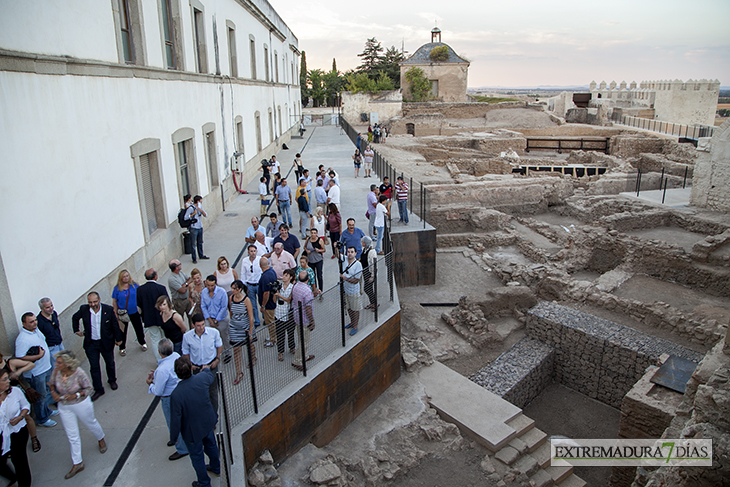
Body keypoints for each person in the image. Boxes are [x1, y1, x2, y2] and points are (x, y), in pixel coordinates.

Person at [49, 350, 107, 480]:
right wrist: (53, 393)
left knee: (91, 423)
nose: (56, 364)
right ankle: (77, 463)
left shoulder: (78, 373)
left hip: (80, 404)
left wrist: (75, 395)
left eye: (59, 362)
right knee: (72, 435)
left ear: (67, 363)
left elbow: (89, 389)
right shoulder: (56, 371)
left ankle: (101, 438)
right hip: (64, 406)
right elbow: (51, 384)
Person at [169, 357, 220, 487]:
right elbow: (209, 377)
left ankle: (204, 482)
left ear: (176, 373)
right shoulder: (201, 379)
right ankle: (216, 467)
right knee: (211, 446)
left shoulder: (176, 394)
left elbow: (175, 419)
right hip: (207, 422)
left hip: (192, 431)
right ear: (191, 368)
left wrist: (174, 437)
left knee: (197, 457)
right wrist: (206, 369)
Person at [72, 293, 123, 401]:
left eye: (95, 301)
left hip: (106, 342)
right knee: (94, 367)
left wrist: (118, 339)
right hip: (91, 344)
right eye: (90, 302)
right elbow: (75, 318)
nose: (92, 304)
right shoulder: (84, 309)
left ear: (99, 299)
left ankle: (112, 380)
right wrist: (77, 330)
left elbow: (114, 324)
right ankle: (98, 389)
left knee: (110, 363)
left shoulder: (108, 309)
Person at [146, 339, 188, 461]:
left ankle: (181, 448)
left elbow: (158, 391)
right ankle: (176, 439)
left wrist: (150, 383)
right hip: (179, 393)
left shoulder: (162, 370)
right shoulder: (176, 356)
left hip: (169, 399)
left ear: (159, 352)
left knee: (173, 423)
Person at [14, 312, 56, 427]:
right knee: (40, 396)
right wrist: (37, 357)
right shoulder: (22, 339)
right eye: (31, 322)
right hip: (36, 373)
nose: (34, 323)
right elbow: (20, 357)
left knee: (46, 391)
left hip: (45, 368)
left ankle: (47, 411)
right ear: (24, 324)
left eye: (35, 320)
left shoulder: (36, 330)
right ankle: (42, 419)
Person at [0, 353, 40, 454]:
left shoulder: (9, 363)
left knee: (26, 416)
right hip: (3, 397)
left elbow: (31, 364)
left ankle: (34, 438)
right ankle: (8, 444)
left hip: (15, 394)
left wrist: (18, 372)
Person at [181, 314, 222, 412]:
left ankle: (214, 415)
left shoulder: (213, 333)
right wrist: (190, 365)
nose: (201, 328)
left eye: (203, 324)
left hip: (211, 366)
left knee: (213, 392)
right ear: (193, 325)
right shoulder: (187, 337)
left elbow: (219, 345)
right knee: (200, 393)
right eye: (198, 326)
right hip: (197, 368)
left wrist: (217, 359)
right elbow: (185, 352)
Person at [0, 368, 32, 486]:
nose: (8, 381)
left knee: (19, 461)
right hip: (2, 434)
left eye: (8, 378)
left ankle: (24, 484)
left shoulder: (15, 392)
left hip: (18, 431)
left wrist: (20, 417)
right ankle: (12, 477)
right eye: (4, 380)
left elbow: (26, 405)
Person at [136, 268, 169, 360]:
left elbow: (139, 307)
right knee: (164, 338)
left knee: (155, 340)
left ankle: (159, 360)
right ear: (155, 276)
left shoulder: (140, 290)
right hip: (162, 317)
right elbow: (168, 304)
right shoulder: (161, 288)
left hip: (149, 318)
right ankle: (167, 358)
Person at [113, 270, 146, 357]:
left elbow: (140, 295)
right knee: (122, 331)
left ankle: (142, 342)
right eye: (124, 276)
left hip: (134, 311)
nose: (126, 278)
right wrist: (115, 312)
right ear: (121, 278)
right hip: (123, 313)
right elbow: (114, 301)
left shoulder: (134, 285)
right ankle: (122, 347)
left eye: (127, 276)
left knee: (138, 328)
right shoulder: (116, 288)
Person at [228, 280, 255, 382]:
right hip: (234, 327)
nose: (232, 290)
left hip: (245, 327)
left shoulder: (246, 300)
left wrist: (250, 331)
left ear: (239, 289)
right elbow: (231, 312)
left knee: (250, 344)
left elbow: (251, 317)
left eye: (234, 288)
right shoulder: (231, 298)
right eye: (232, 288)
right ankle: (239, 372)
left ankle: (253, 357)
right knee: (236, 349)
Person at [290, 271, 315, 370]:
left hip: (296, 316)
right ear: (308, 279)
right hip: (305, 319)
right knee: (304, 341)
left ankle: (304, 356)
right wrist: (312, 320)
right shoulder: (307, 291)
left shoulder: (295, 286)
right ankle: (297, 360)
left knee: (301, 337)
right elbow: (308, 308)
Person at [274, 269, 295, 362]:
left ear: (290, 277)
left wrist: (279, 295)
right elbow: (274, 301)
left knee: (290, 333)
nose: (284, 277)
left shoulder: (292, 287)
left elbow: (289, 300)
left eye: (286, 275)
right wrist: (275, 294)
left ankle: (292, 347)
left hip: (288, 314)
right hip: (278, 313)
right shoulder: (279, 286)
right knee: (280, 334)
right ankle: (280, 352)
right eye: (284, 275)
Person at [201, 275, 229, 346]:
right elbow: (203, 306)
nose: (210, 287)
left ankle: (227, 354)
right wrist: (210, 320)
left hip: (221, 319)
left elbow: (223, 307)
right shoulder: (204, 292)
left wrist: (216, 320)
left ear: (216, 284)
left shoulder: (222, 292)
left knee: (224, 337)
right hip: (209, 319)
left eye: (212, 285)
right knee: (209, 339)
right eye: (208, 285)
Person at [340, 247, 363, 335]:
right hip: (345, 290)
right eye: (348, 252)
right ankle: (352, 322)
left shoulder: (358, 265)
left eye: (352, 252)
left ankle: (355, 326)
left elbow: (356, 280)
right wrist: (336, 247)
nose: (350, 253)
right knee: (349, 307)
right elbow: (338, 255)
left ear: (355, 253)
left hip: (353, 291)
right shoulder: (345, 259)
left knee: (355, 309)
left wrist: (345, 278)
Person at [240, 246, 262, 332]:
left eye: (254, 251)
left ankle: (264, 317)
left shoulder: (260, 259)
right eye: (251, 251)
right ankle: (256, 321)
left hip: (258, 284)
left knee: (261, 302)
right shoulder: (245, 261)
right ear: (248, 252)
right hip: (250, 285)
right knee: (253, 305)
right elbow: (243, 273)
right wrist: (244, 286)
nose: (253, 253)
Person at [258, 257, 278, 349]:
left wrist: (263, 305)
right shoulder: (272, 272)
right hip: (272, 301)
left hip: (268, 304)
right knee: (271, 321)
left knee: (270, 321)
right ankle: (272, 336)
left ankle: (273, 339)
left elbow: (266, 293)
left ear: (260, 265)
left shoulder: (265, 277)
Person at [36, 297, 64, 362]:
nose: (51, 308)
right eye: (47, 307)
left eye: (51, 305)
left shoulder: (54, 314)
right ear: (41, 309)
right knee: (57, 367)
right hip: (51, 347)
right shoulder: (39, 321)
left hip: (59, 343)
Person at [186, 195, 209, 264]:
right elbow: (186, 217)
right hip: (194, 228)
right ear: (198, 201)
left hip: (200, 227)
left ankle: (201, 255)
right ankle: (194, 258)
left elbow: (206, 215)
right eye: (201, 200)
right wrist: (193, 214)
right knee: (193, 244)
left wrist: (201, 210)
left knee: (200, 242)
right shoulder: (190, 208)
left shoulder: (200, 207)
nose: (201, 202)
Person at [361, 236, 378, 311]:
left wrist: (373, 276)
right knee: (369, 288)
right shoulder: (365, 249)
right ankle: (372, 302)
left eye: (362, 242)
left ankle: (374, 303)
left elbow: (374, 264)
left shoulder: (371, 252)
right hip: (365, 272)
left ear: (365, 243)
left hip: (370, 273)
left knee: (367, 289)